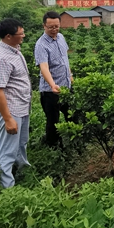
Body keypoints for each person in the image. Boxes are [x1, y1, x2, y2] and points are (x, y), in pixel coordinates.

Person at [0, 18, 32, 188]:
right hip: (11, 110)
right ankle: (7, 189)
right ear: (8, 36)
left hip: (21, 107)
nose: (23, 36)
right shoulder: (1, 58)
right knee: (7, 151)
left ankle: (24, 173)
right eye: (20, 34)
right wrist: (8, 119)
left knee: (21, 144)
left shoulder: (14, 50)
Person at [34, 11, 73, 148]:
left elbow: (65, 59)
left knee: (72, 115)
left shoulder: (61, 37)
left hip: (66, 86)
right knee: (53, 121)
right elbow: (44, 67)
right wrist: (52, 85)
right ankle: (53, 148)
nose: (54, 29)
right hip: (50, 91)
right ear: (44, 26)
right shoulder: (41, 45)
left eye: (56, 26)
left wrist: (70, 75)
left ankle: (74, 142)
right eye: (50, 27)